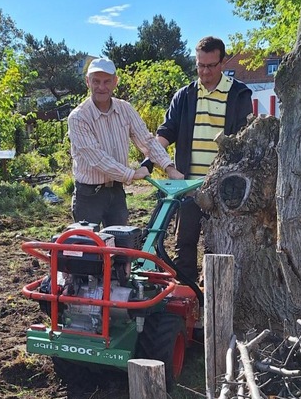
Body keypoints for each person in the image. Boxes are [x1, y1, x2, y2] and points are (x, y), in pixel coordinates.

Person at [155, 36, 253, 284]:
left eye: (210, 65)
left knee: (218, 244)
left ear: (222, 62)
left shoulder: (239, 94)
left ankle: (215, 293)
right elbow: (167, 131)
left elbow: (244, 139)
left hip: (223, 189)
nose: (205, 71)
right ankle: (189, 293)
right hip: (189, 185)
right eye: (200, 65)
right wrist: (152, 157)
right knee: (184, 242)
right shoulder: (185, 96)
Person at [68, 57, 183, 228]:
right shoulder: (79, 117)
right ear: (87, 82)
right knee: (89, 249)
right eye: (96, 81)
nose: (101, 87)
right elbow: (98, 158)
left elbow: (147, 140)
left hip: (116, 191)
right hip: (89, 195)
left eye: (107, 81)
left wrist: (169, 167)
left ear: (115, 82)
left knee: (121, 245)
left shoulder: (125, 109)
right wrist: (132, 174)